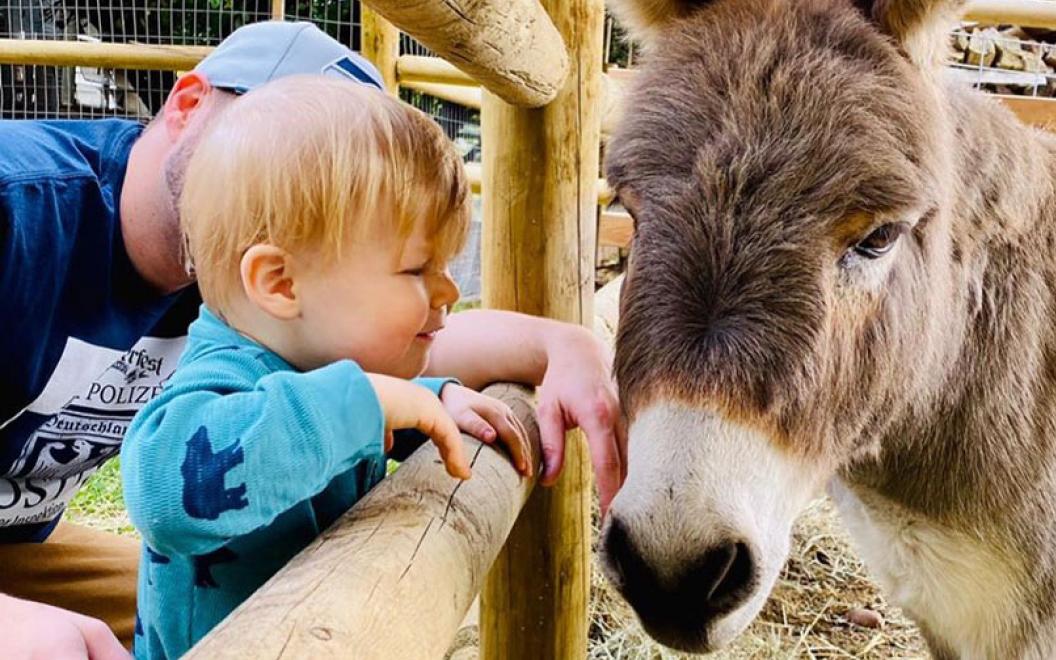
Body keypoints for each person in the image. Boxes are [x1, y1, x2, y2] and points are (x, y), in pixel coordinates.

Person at [0, 21, 624, 659]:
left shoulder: (238, 275)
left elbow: (404, 346)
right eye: (284, 144)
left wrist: (557, 346)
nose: (291, 186)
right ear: (187, 105)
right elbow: (169, 481)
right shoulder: (18, 209)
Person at [122, 75, 532, 658]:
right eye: (417, 269)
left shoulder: (317, 361)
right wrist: (365, 401)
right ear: (281, 283)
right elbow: (165, 494)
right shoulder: (225, 377)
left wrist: (433, 402)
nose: (446, 290)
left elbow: (338, 413)